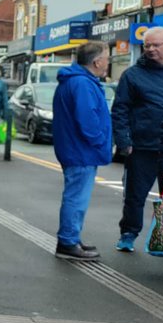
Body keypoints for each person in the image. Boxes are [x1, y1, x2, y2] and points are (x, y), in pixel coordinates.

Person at [51, 41, 111, 261]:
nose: (108, 62)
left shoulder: (75, 81)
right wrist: (100, 139)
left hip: (75, 148)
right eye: (106, 58)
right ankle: (67, 242)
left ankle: (71, 238)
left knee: (76, 197)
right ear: (96, 62)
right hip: (81, 150)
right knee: (77, 198)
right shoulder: (83, 84)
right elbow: (87, 119)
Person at [112, 26, 163, 252]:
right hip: (142, 146)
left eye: (156, 45)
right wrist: (124, 141)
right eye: (148, 45)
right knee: (135, 195)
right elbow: (120, 110)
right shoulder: (132, 75)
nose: (151, 49)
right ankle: (128, 234)